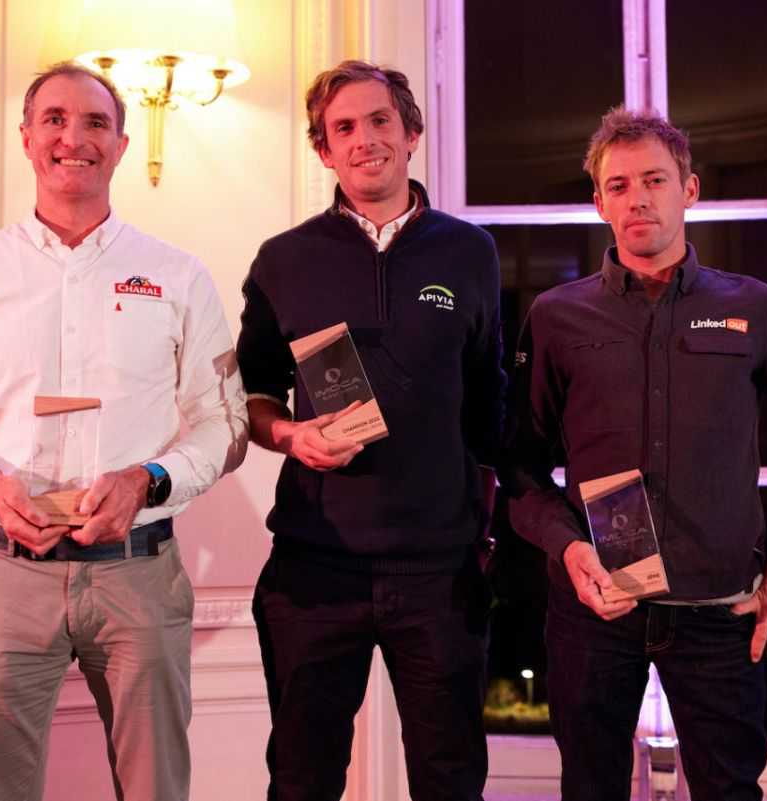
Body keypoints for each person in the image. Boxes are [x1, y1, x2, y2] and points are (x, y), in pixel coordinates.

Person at [0, 62, 248, 801]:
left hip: (140, 574)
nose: (73, 138)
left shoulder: (177, 275)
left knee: (156, 789)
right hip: (1, 578)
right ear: (25, 137)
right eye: (54, 119)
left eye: (94, 123)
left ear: (121, 145)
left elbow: (227, 422)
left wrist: (149, 479)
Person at [500, 106, 767, 801]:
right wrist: (568, 549)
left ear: (689, 189)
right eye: (618, 185)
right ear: (599, 202)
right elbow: (518, 466)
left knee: (729, 790)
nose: (637, 198)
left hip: (721, 614)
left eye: (654, 180)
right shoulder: (555, 317)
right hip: (594, 613)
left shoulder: (756, 308)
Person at [236, 60, 505, 801]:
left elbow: (490, 404)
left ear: (411, 132)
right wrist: (291, 436)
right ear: (324, 150)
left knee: (451, 782)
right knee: (302, 781)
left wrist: (495, 532)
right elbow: (251, 396)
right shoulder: (284, 259)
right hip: (314, 569)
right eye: (344, 128)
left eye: (380, 121)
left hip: (440, 573)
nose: (365, 140)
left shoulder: (470, 252)